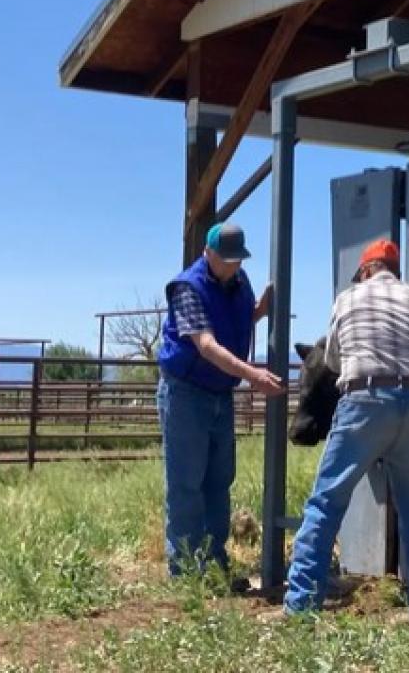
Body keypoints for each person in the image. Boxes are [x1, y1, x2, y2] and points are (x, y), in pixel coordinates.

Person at [283, 238, 409, 628]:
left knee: (326, 503)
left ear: (366, 270)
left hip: (363, 401)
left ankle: (301, 607)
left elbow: (331, 359)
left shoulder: (348, 300)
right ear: (393, 269)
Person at [157, 222, 285, 580]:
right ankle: (183, 570)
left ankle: (214, 562)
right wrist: (252, 374)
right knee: (186, 481)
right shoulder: (188, 288)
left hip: (220, 392)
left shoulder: (239, 283)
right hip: (187, 392)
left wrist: (265, 304)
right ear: (207, 253)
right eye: (226, 260)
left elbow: (246, 316)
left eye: (237, 260)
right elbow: (206, 346)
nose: (233, 267)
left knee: (219, 479)